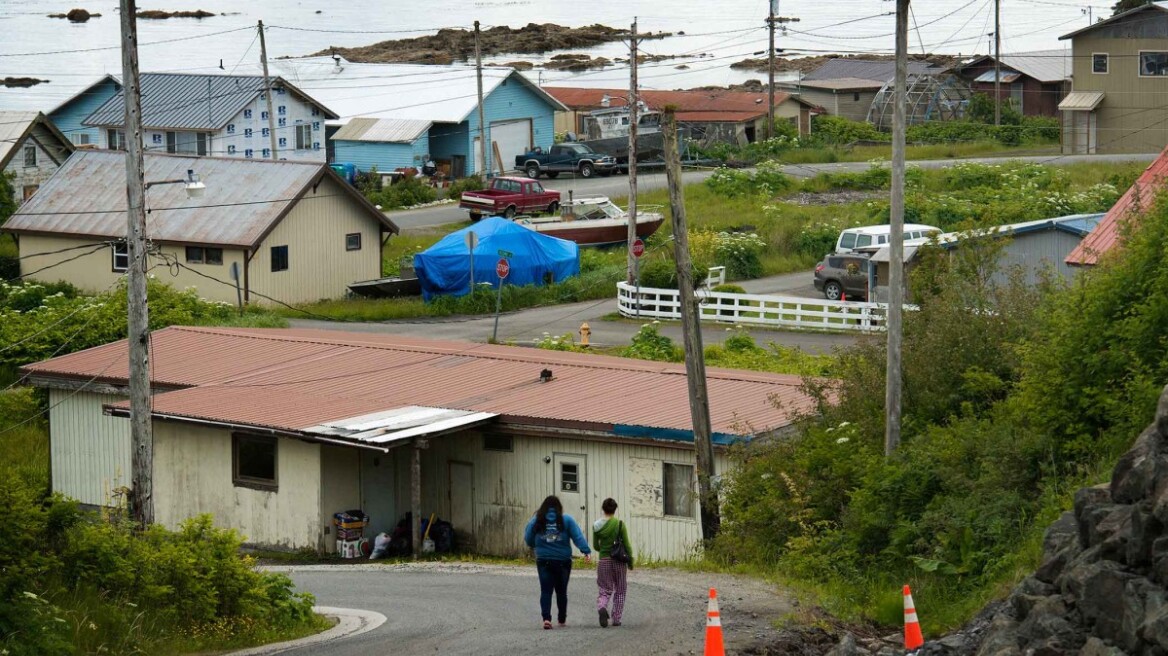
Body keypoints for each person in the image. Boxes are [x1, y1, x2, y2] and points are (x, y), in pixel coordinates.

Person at [524, 495, 591, 630]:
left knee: (546, 591)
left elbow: (528, 538)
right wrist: (586, 551)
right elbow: (577, 536)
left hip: (543, 561)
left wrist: (536, 545)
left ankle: (546, 619)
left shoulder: (536, 521)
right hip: (563, 562)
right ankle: (561, 619)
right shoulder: (566, 520)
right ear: (558, 508)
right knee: (561, 591)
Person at [593, 497, 634, 628]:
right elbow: (627, 544)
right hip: (619, 561)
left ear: (603, 509)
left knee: (604, 589)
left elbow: (595, 546)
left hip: (604, 560)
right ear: (615, 509)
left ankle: (602, 606)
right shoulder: (619, 524)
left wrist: (603, 550)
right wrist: (631, 560)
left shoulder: (596, 526)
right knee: (621, 589)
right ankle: (616, 618)